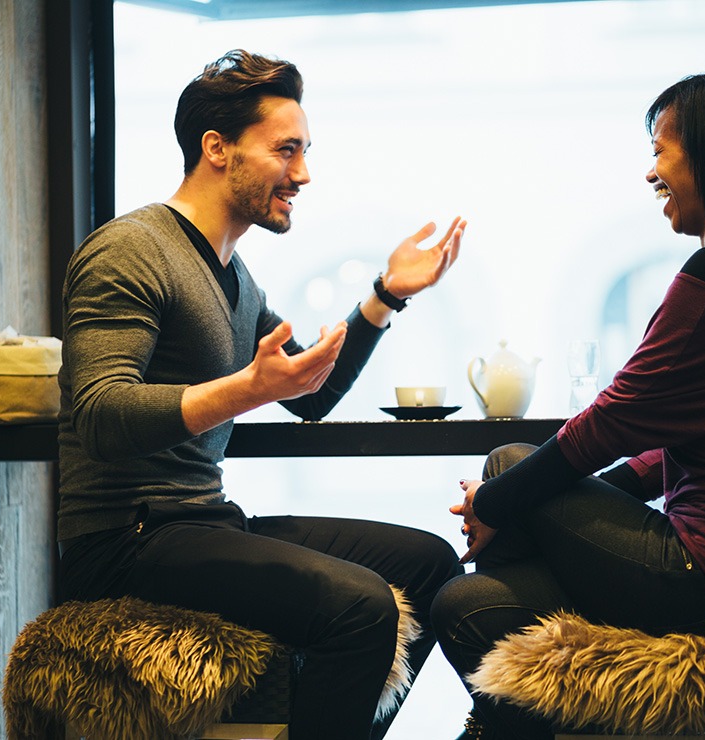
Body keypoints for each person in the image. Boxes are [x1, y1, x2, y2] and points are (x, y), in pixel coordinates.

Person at [56, 49, 466, 740]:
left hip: (204, 522)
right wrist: (245, 388)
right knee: (363, 607)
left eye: (304, 152)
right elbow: (101, 415)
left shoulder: (235, 276)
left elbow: (308, 390)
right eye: (287, 151)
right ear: (217, 148)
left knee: (429, 566)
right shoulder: (130, 250)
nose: (303, 173)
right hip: (124, 542)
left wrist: (387, 294)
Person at [432, 68, 705, 740]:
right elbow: (655, 454)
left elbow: (613, 422)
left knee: (505, 463)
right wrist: (553, 510)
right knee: (468, 603)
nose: (652, 175)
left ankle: (500, 730)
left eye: (660, 151)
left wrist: (495, 508)